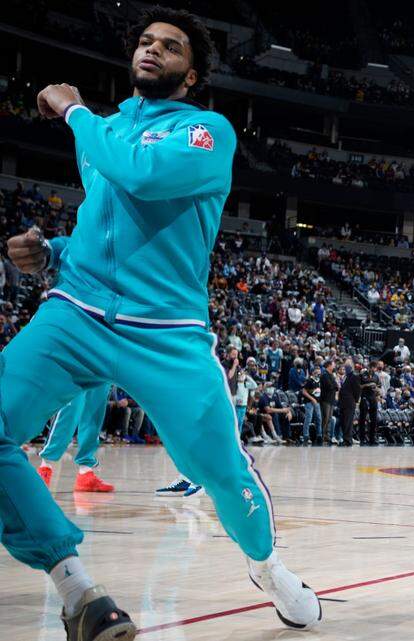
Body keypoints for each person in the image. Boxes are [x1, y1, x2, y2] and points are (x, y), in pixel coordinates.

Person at [1, 9, 320, 638]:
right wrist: (54, 253)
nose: (152, 50)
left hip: (166, 332)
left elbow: (142, 180)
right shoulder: (110, 130)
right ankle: (76, 587)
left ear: (190, 73)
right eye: (146, 41)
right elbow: (109, 220)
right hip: (77, 313)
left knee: (220, 470)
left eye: (169, 46)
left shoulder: (207, 132)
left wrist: (74, 112)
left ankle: (267, 566)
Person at [38, 384, 116, 493]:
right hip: (79, 367)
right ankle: (45, 465)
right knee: (70, 408)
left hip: (105, 369)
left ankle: (85, 471)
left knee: (94, 414)